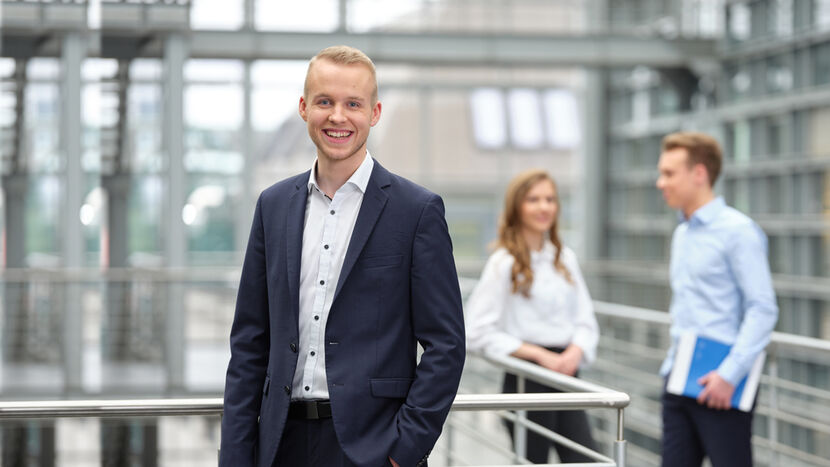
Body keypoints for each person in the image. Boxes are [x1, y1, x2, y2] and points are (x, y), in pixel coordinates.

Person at [220, 45, 466, 467]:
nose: (338, 116)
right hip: (280, 446)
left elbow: (446, 344)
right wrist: (237, 455)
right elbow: (249, 343)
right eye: (324, 102)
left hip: (374, 448)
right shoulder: (273, 206)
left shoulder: (417, 211)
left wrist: (404, 449)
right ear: (303, 108)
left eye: (353, 103)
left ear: (374, 112)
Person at [656, 132, 779, 467]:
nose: (660, 182)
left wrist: (730, 374)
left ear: (699, 174)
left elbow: (762, 308)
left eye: (669, 173)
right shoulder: (682, 233)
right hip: (678, 379)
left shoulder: (739, 231)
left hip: (721, 387)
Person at [466, 169, 599, 464]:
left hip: (567, 375)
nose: (544, 207)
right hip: (528, 377)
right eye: (533, 199)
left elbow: (585, 320)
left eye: (550, 199)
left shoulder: (564, 259)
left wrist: (575, 351)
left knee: (586, 460)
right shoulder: (504, 263)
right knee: (534, 463)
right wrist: (540, 355)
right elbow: (476, 332)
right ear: (517, 207)